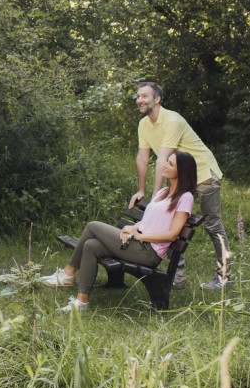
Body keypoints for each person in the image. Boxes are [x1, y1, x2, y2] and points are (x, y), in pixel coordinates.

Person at [40, 152, 197, 310]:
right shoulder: (163, 192)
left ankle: (67, 275)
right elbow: (148, 220)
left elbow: (172, 234)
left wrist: (140, 236)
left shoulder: (185, 197)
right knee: (91, 246)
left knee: (93, 226)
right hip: (138, 243)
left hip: (149, 252)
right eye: (167, 161)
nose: (164, 165)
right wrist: (132, 228)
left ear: (182, 171)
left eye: (170, 164)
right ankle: (81, 302)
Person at [131, 81, 230, 290]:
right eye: (138, 96)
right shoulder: (144, 125)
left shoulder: (172, 121)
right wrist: (142, 190)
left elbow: (162, 159)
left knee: (213, 225)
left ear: (157, 99)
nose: (140, 100)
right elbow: (142, 157)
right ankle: (176, 277)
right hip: (181, 177)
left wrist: (155, 196)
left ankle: (224, 278)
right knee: (167, 220)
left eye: (145, 96)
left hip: (204, 175)